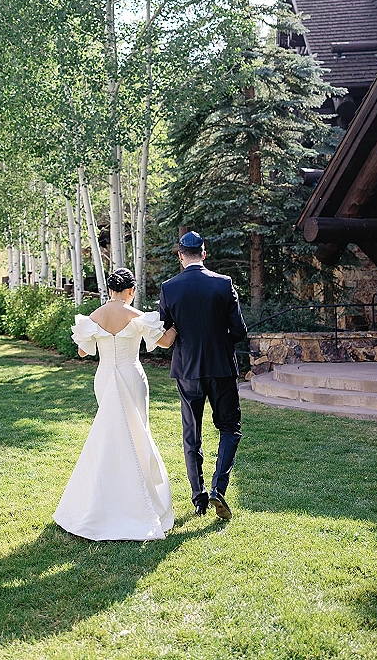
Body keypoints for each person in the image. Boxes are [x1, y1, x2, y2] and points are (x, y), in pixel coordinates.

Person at [53, 268, 177, 541]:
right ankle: (136, 500)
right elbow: (165, 343)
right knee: (136, 437)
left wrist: (99, 336)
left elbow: (83, 351)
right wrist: (179, 323)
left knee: (110, 436)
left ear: (110, 290)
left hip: (105, 377)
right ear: (131, 291)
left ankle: (103, 501)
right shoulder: (136, 316)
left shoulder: (94, 317)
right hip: (131, 376)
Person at [159, 231, 247, 520]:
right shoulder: (224, 284)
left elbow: (166, 333)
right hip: (221, 368)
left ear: (181, 256)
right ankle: (218, 488)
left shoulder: (169, 288)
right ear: (204, 254)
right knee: (229, 427)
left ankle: (198, 499)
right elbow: (239, 332)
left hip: (187, 371)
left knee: (191, 435)